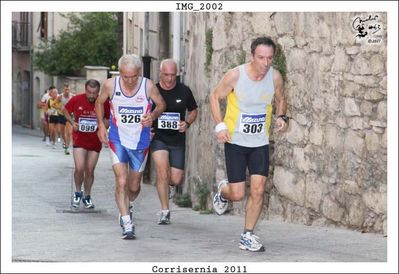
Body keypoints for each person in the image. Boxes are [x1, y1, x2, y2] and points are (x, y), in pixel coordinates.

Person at [209, 37, 288, 252]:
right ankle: (222, 192)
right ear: (252, 56)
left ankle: (247, 235)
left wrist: (282, 117)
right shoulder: (236, 75)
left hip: (259, 142)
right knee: (237, 194)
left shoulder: (275, 77)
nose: (265, 63)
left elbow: (280, 98)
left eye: (270, 58)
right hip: (235, 141)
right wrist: (220, 125)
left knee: (258, 190)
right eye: (261, 58)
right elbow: (215, 96)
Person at [95, 54, 166, 239]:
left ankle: (128, 203)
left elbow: (161, 105)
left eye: (133, 76)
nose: (129, 80)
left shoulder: (148, 86)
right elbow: (99, 102)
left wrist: (153, 116)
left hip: (140, 140)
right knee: (121, 180)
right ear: (120, 73)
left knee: (134, 186)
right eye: (125, 76)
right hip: (117, 138)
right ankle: (126, 222)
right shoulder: (110, 85)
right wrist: (102, 125)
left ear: (139, 73)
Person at [150, 59, 198, 225]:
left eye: (173, 75)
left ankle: (168, 186)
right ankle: (165, 211)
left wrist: (188, 123)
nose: (170, 79)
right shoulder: (152, 90)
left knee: (176, 179)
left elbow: (193, 110)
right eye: (166, 75)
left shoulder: (184, 90)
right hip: (158, 138)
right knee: (162, 171)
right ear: (160, 73)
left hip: (177, 139)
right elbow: (143, 112)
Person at [62, 79, 110, 209]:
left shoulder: (103, 102)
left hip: (95, 141)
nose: (91, 96)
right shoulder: (77, 99)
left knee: (89, 170)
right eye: (89, 92)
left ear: (98, 92)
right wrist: (72, 123)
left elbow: (108, 119)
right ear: (85, 89)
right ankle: (78, 192)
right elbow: (64, 110)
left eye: (94, 93)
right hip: (79, 140)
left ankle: (87, 196)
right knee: (79, 168)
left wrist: (103, 126)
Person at [59, 83, 74, 155]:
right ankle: (65, 142)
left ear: (69, 90)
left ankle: (67, 148)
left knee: (69, 132)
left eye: (68, 89)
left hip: (70, 116)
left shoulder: (73, 96)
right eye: (65, 89)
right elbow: (53, 104)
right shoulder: (60, 96)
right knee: (62, 133)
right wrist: (59, 108)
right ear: (63, 90)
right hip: (62, 115)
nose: (67, 91)